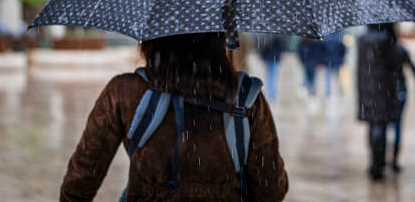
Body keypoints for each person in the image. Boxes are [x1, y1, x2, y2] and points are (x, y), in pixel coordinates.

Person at [60, 33, 288, 201]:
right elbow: (271, 191)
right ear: (218, 39)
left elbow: (80, 182)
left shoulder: (123, 92)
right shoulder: (245, 98)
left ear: (152, 38)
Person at [357, 24, 400, 180]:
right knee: (380, 125)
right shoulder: (386, 39)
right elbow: (393, 64)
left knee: (372, 124)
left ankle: (374, 162)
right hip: (383, 87)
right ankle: (378, 163)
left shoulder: (361, 39)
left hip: (366, 86)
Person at [389, 27, 415, 173]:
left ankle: (381, 158)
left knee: (383, 125)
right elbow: (413, 68)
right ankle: (394, 160)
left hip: (383, 91)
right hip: (400, 90)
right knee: (397, 126)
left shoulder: (379, 49)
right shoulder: (400, 49)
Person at [255, 33, 286, 101]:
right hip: (274, 58)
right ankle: (271, 94)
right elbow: (281, 47)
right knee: (273, 76)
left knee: (270, 75)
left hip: (268, 57)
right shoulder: (278, 35)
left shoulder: (265, 35)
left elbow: (261, 46)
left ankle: (270, 93)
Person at [322, 31, 347, 98]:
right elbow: (343, 50)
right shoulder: (339, 37)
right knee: (338, 77)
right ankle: (341, 92)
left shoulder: (326, 37)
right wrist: (342, 59)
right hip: (337, 61)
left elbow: (323, 50)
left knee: (328, 79)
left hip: (329, 61)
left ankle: (329, 94)